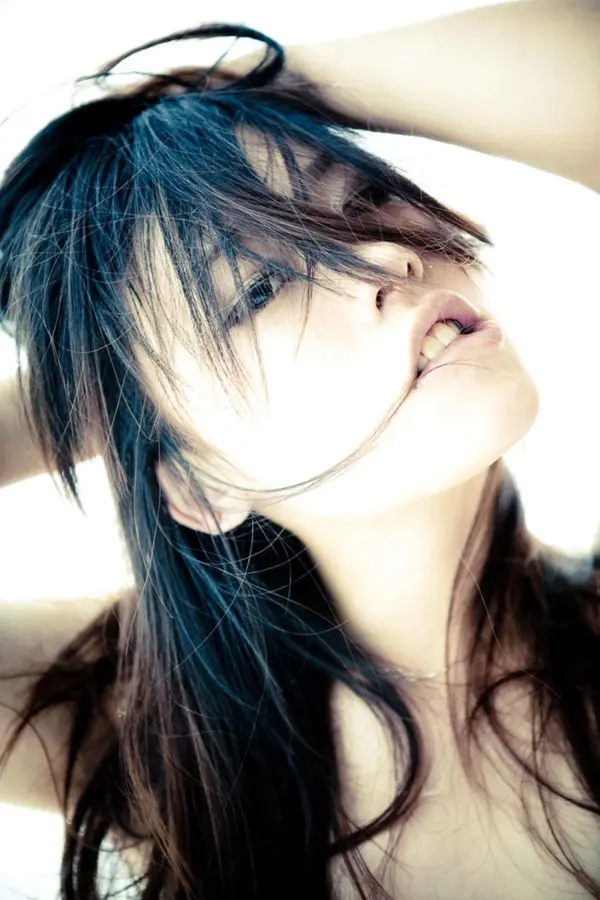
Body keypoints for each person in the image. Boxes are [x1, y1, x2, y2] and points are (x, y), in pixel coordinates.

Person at [0, 3, 599, 898]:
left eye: (361, 201)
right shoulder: (163, 749)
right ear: (193, 486)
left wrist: (244, 87)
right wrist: (94, 389)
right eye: (260, 288)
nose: (387, 256)